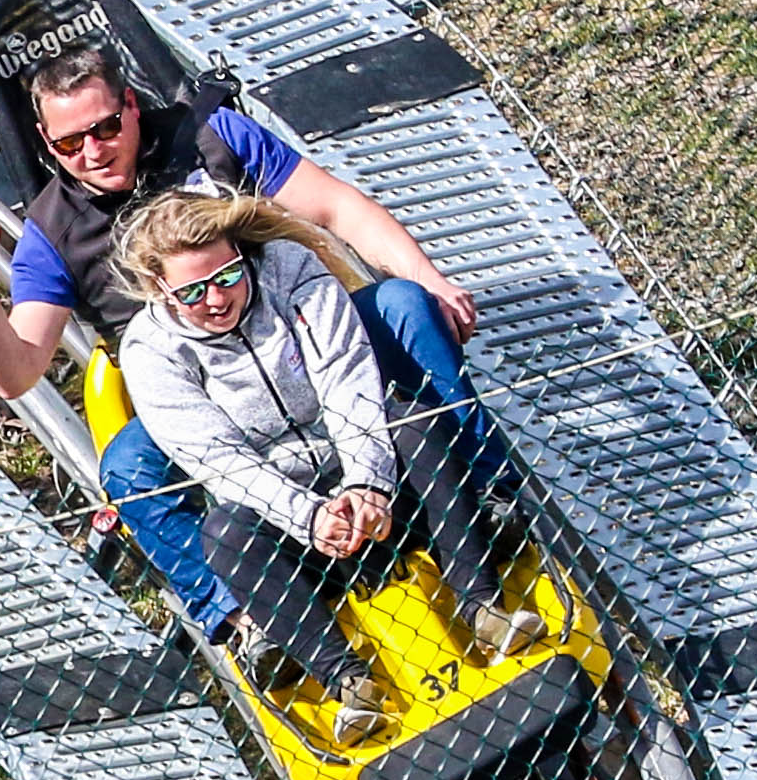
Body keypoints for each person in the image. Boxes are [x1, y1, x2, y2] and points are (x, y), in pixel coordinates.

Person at [0, 28, 491, 639]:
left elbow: (337, 209)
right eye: (70, 144)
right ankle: (245, 616)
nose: (94, 152)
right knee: (128, 466)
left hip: (293, 339)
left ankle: (485, 489)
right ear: (47, 146)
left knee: (402, 303)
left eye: (106, 128)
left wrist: (430, 278)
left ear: (131, 105)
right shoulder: (51, 234)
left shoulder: (213, 138)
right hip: (196, 391)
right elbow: (19, 372)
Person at [108, 193, 525, 717]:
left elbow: (345, 377)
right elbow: (219, 459)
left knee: (410, 420)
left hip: (362, 468)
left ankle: (482, 599)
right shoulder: (150, 350)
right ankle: (346, 679)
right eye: (192, 292)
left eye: (228, 277)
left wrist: (368, 483)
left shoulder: (289, 269)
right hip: (288, 511)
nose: (215, 299)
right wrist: (308, 517)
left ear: (242, 255)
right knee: (224, 533)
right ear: (160, 289)